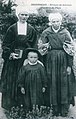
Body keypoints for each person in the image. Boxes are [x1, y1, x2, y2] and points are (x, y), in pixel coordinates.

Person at [38, 12, 74, 117]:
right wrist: (43, 63)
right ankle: (54, 108)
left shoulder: (65, 33)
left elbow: (70, 50)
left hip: (63, 59)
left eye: (57, 21)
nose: (55, 23)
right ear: (50, 22)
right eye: (53, 21)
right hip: (50, 60)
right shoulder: (46, 32)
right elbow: (41, 49)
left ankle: (64, 108)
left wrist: (69, 65)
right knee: (52, 82)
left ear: (60, 22)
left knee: (63, 83)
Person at [0, 10, 37, 110]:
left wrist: (30, 57)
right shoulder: (12, 29)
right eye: (22, 14)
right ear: (18, 15)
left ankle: (25, 105)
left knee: (25, 80)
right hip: (13, 60)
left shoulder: (31, 30)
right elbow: (5, 44)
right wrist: (10, 54)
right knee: (12, 80)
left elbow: (34, 45)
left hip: (25, 59)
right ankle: (11, 105)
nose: (24, 17)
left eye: (26, 15)